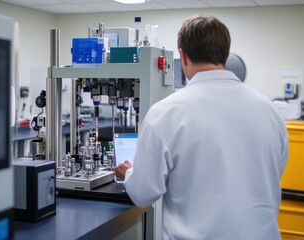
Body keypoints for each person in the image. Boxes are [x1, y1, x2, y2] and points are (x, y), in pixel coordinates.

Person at [114, 15, 288, 240]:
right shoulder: (270, 111)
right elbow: (273, 173)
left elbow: (143, 193)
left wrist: (129, 172)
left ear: (183, 55)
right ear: (226, 55)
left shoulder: (165, 114)